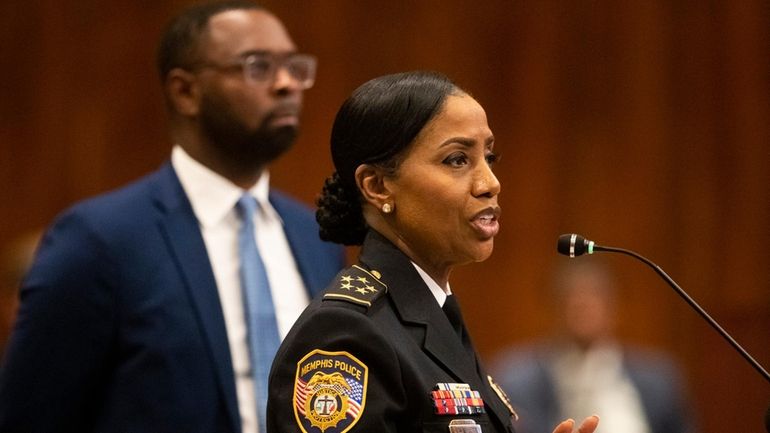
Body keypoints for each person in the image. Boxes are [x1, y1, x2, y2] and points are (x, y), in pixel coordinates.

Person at [0, 2, 345, 432]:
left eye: (294, 66)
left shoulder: (315, 235)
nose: (286, 83)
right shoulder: (100, 240)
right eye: (257, 67)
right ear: (185, 91)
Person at [266, 71, 599, 433]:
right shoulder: (345, 334)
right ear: (377, 186)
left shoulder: (431, 313)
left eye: (490, 156)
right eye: (457, 160)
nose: (490, 183)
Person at [490, 259, 696, 433]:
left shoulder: (659, 378)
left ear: (613, 306)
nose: (584, 307)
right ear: (554, 307)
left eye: (594, 297)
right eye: (573, 299)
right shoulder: (515, 379)